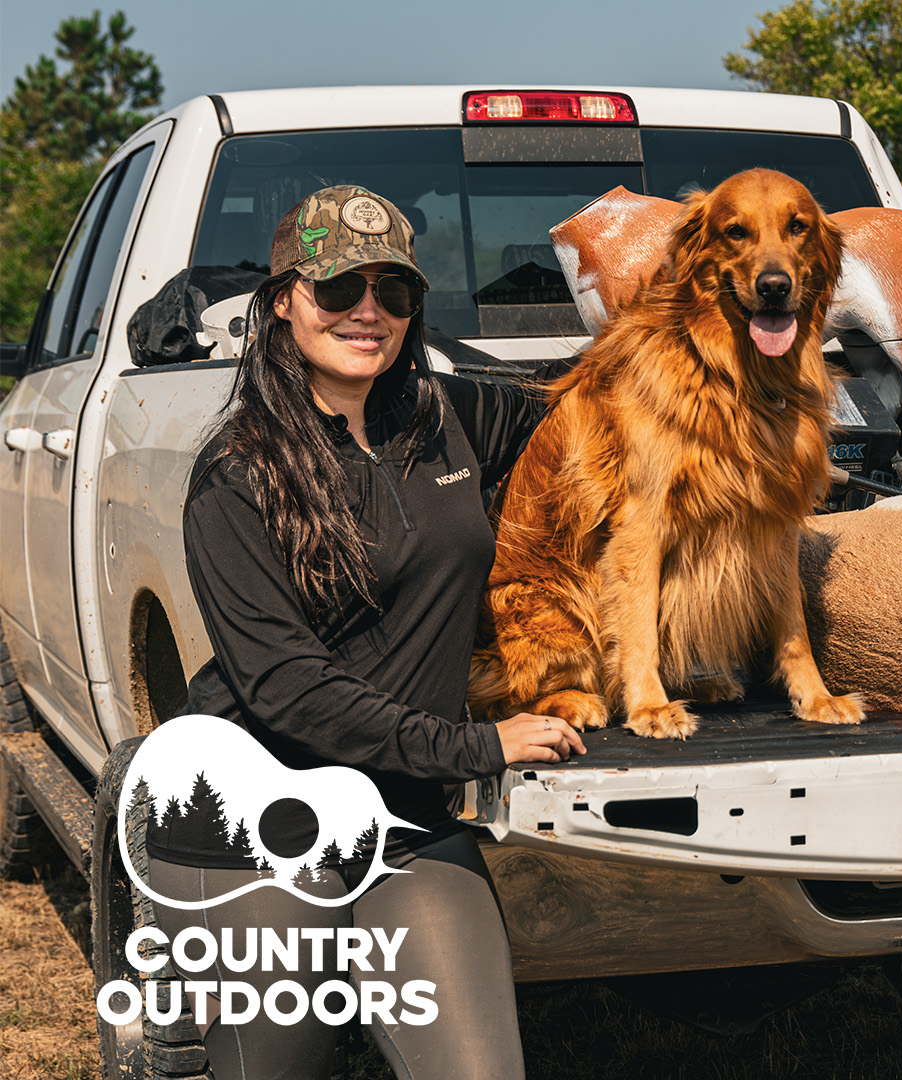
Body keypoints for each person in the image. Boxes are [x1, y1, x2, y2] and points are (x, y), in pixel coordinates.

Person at [148, 185, 585, 1080]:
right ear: (283, 300)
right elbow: (288, 689)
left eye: (394, 290)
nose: (368, 312)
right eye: (339, 289)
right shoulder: (238, 474)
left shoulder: (449, 416)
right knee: (277, 1068)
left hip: (406, 819)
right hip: (252, 823)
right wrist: (477, 746)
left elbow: (596, 420)